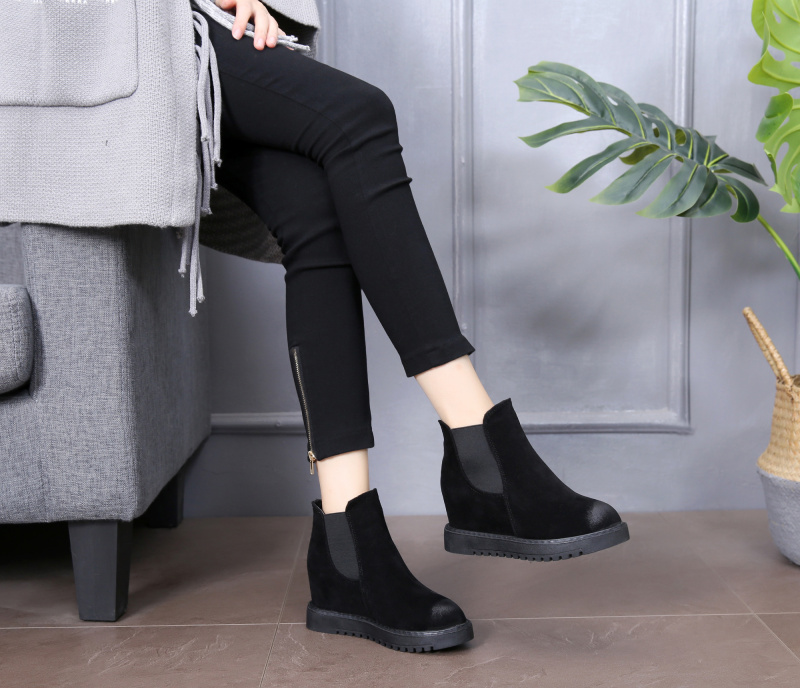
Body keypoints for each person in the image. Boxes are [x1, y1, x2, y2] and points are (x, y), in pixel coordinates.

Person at [192, 0, 630, 652]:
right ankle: (481, 452)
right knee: (358, 115)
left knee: (315, 213)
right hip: (124, 32)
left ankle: (347, 555)